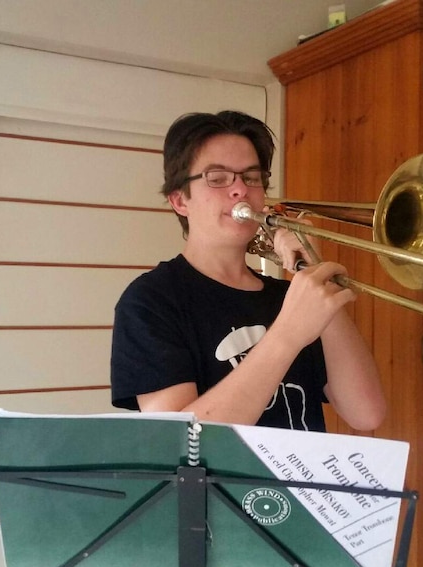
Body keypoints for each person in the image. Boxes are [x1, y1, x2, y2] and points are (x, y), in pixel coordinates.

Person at [111, 110, 385, 432]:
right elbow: (180, 444)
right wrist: (287, 334)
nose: (240, 189)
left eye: (251, 177)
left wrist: (313, 269)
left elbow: (367, 414)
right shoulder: (150, 302)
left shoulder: (294, 296)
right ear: (179, 201)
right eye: (218, 178)